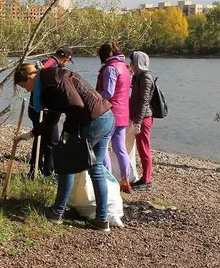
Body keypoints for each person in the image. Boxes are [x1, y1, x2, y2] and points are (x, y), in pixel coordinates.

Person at [14, 63, 115, 232]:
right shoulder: (52, 77)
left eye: (24, 86)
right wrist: (32, 134)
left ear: (30, 77)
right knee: (96, 168)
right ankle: (102, 220)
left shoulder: (50, 83)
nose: (26, 90)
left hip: (92, 120)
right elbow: (54, 115)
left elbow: (77, 106)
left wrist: (68, 134)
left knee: (65, 166)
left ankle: (57, 213)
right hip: (106, 116)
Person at [27, 47, 73, 179]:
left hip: (36, 107)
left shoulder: (45, 61)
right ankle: (47, 172)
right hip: (43, 109)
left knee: (40, 137)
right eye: (68, 61)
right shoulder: (50, 64)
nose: (67, 64)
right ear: (66, 59)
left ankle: (35, 169)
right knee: (51, 141)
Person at [96, 42, 132, 193]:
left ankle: (108, 179)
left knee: (102, 146)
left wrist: (94, 97)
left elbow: (108, 93)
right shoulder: (124, 67)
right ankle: (125, 181)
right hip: (124, 113)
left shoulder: (111, 69)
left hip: (110, 113)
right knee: (120, 148)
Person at [129, 51, 155, 191]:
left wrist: (138, 122)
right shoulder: (138, 76)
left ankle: (147, 180)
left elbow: (144, 101)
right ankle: (145, 177)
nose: (131, 64)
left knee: (144, 148)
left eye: (132, 62)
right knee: (141, 148)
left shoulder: (146, 78)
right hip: (139, 117)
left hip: (144, 118)